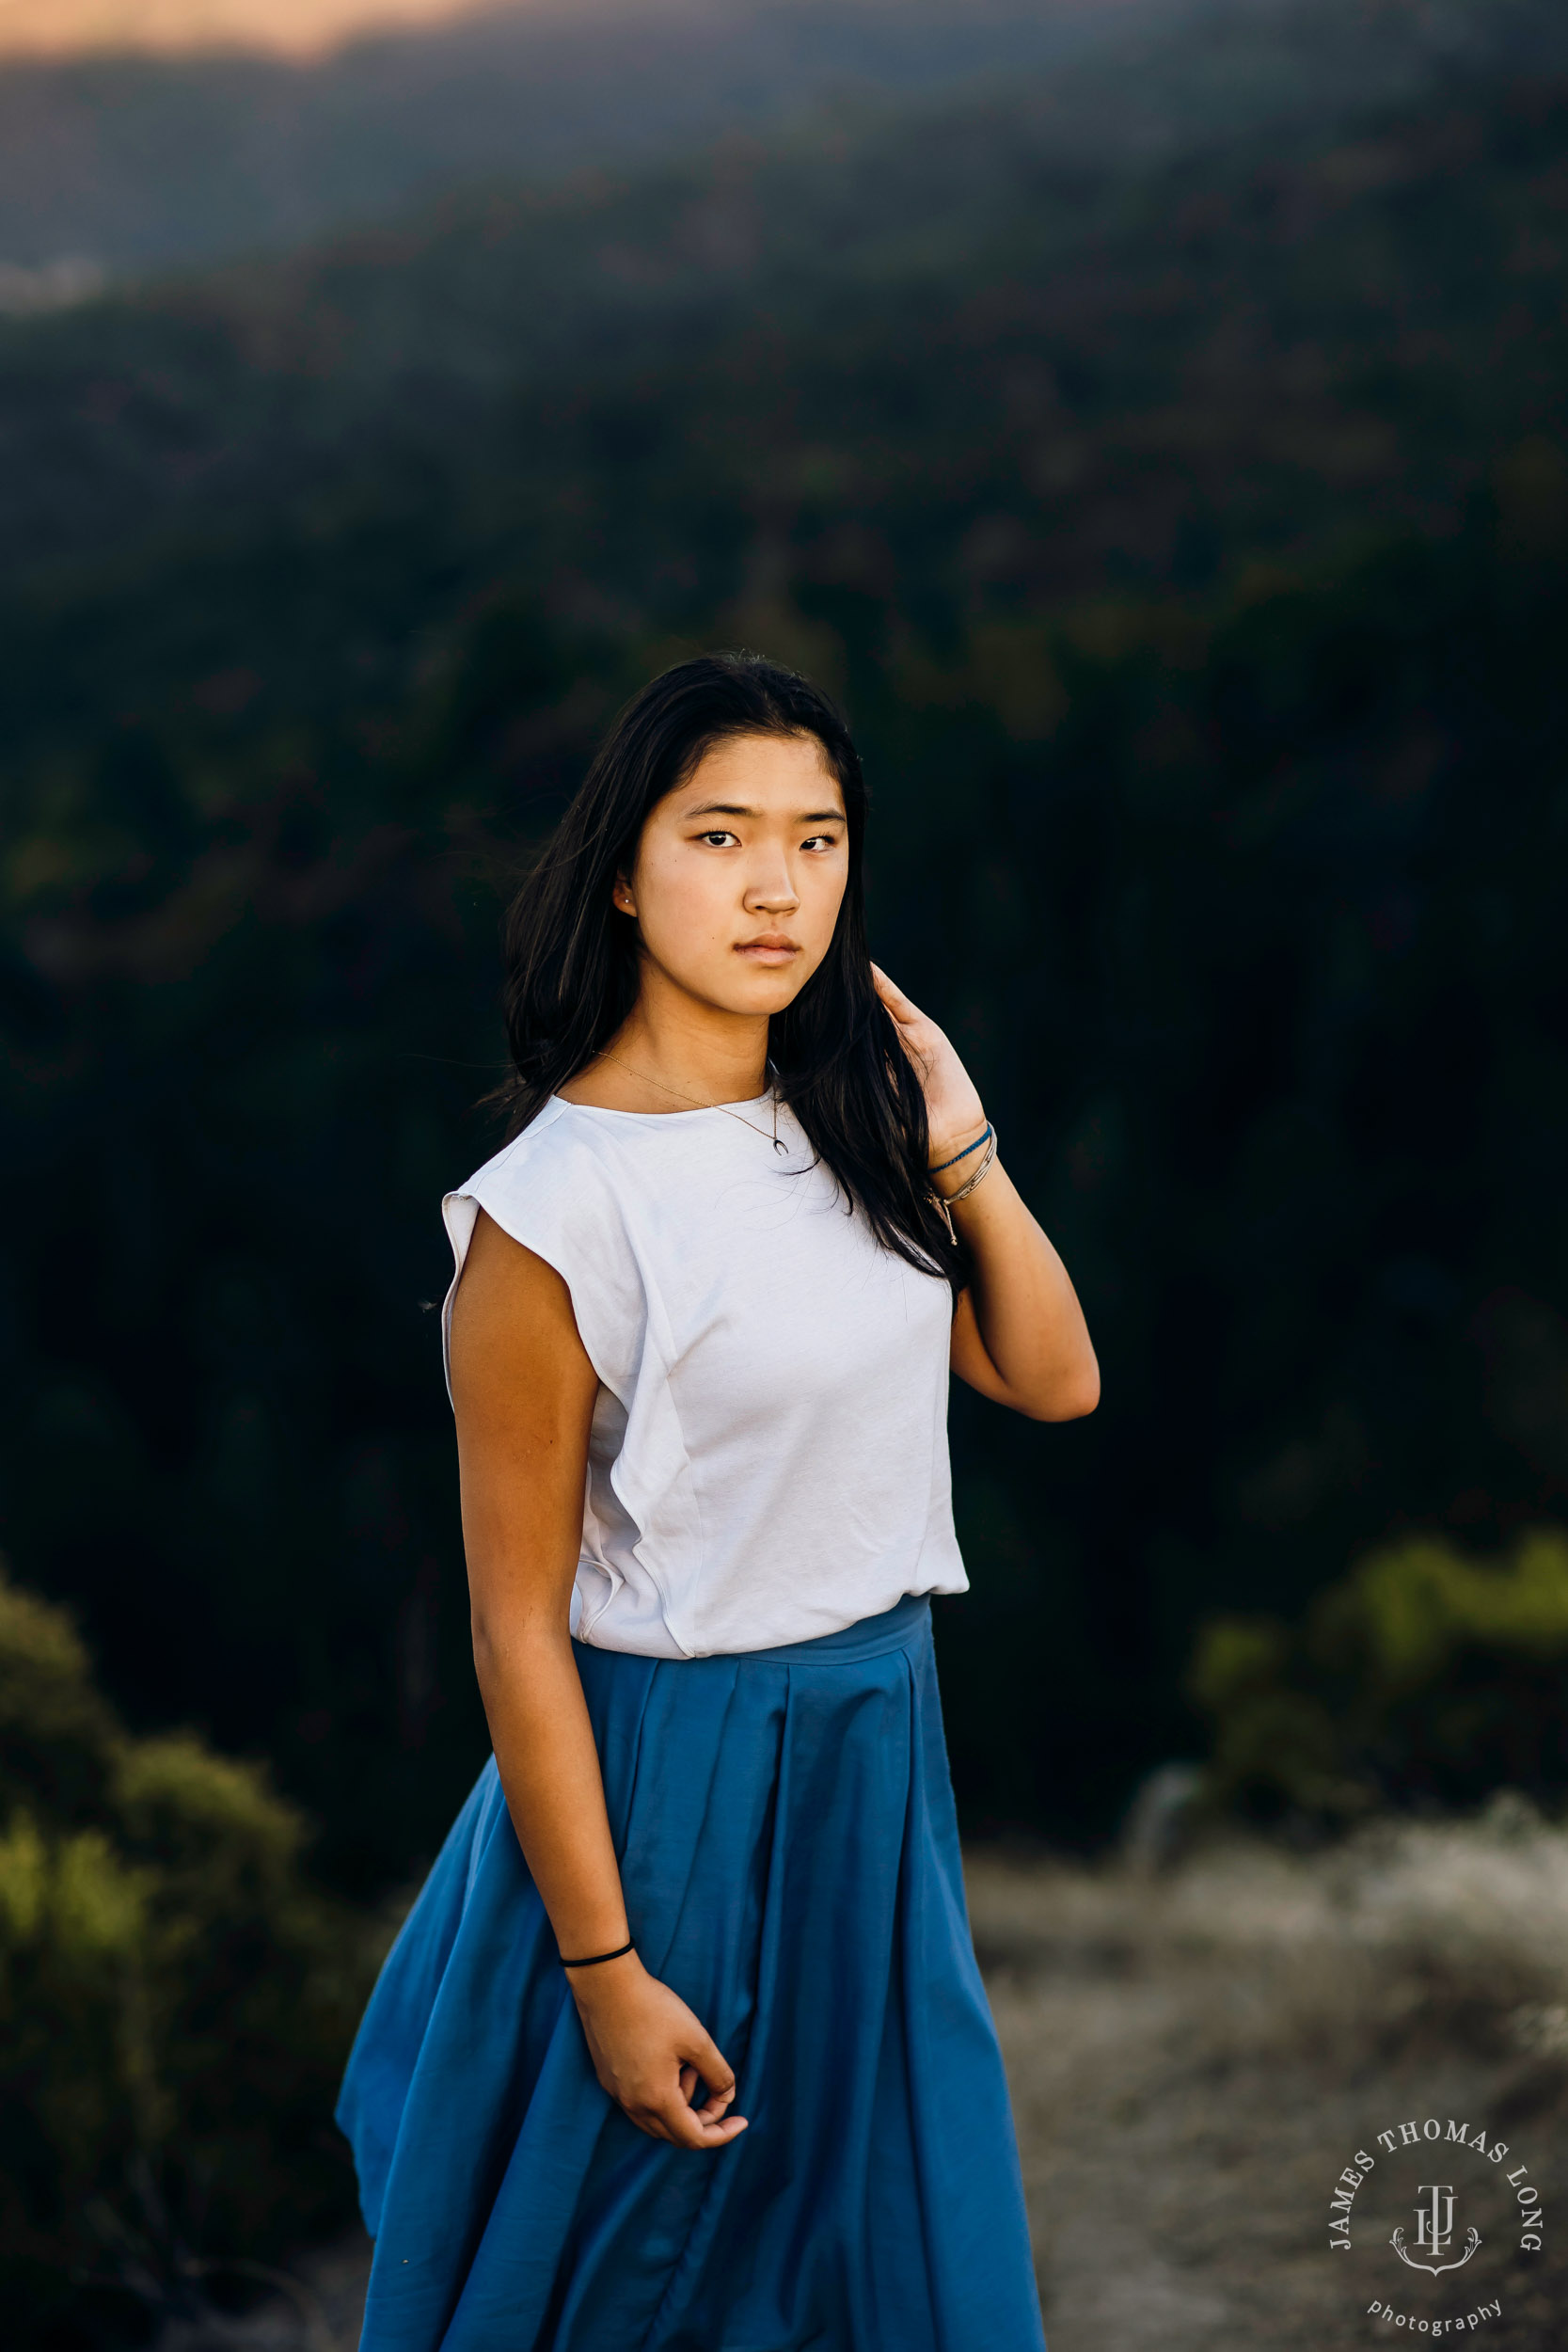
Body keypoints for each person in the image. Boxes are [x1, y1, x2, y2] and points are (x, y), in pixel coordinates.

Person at [337, 650, 1099, 2350]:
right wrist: (605, 1976)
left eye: (818, 841)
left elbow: (1051, 1377)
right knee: (643, 2266)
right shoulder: (548, 1219)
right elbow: (513, 1630)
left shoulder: (848, 1125)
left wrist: (958, 1138)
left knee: (883, 2253)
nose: (778, 886)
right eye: (722, 834)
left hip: (877, 1744)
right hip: (670, 1778)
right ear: (625, 868)